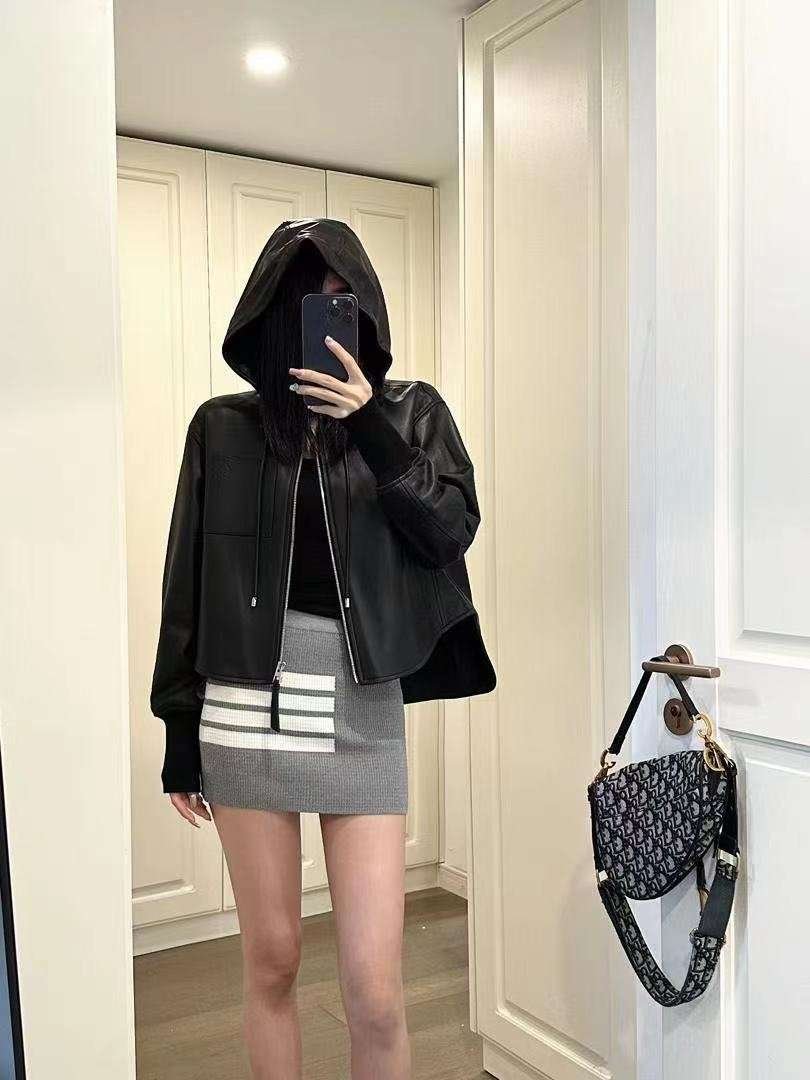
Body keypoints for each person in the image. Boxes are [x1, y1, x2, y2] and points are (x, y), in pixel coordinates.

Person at [150, 218, 495, 1079]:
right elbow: (186, 583)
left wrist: (370, 424)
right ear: (272, 316)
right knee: (272, 963)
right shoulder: (221, 428)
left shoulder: (413, 412)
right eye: (309, 302)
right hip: (245, 706)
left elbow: (450, 530)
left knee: (375, 990)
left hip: (360, 706)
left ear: (367, 312)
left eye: (344, 300)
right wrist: (179, 731)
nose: (330, 316)